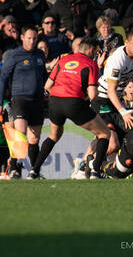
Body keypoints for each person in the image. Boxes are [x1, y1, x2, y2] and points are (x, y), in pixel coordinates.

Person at [29, 37, 112, 179]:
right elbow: (92, 95)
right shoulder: (91, 64)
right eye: (96, 52)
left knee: (54, 136)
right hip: (73, 102)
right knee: (104, 133)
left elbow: (47, 86)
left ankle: (34, 171)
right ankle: (95, 171)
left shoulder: (63, 60)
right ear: (91, 50)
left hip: (54, 101)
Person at [0, 25, 47, 179]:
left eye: (34, 38)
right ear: (22, 38)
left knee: (34, 139)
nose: (32, 41)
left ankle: (34, 171)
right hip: (20, 99)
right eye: (29, 38)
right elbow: (3, 79)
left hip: (37, 101)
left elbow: (44, 77)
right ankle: (14, 167)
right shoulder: (14, 55)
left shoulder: (40, 54)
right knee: (20, 133)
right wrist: (0, 102)